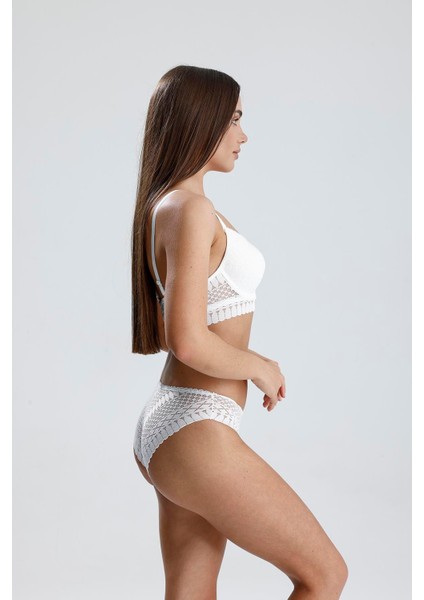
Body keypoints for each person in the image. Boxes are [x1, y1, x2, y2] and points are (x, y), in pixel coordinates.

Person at [131, 65, 348, 600]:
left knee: (192, 591)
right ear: (200, 121)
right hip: (195, 428)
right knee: (325, 575)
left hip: (177, 423)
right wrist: (259, 366)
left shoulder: (171, 205)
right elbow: (186, 338)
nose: (243, 135)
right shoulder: (191, 209)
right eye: (233, 120)